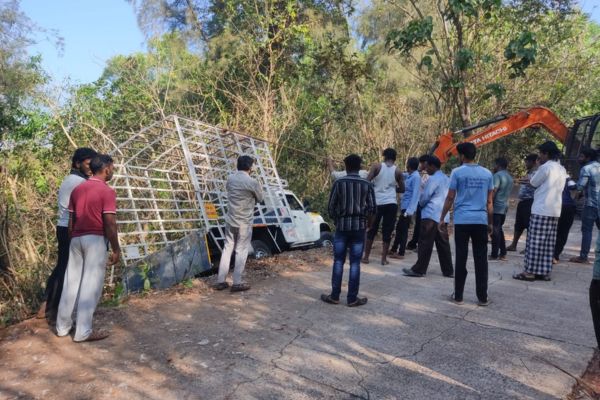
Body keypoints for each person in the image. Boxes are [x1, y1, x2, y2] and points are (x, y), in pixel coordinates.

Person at [55, 154, 119, 342]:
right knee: (91, 284)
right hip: (95, 239)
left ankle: (62, 327)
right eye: (112, 168)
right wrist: (116, 248)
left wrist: (73, 239)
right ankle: (83, 331)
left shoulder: (78, 190)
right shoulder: (107, 191)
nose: (113, 171)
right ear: (106, 168)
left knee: (71, 282)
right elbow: (109, 223)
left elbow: (71, 222)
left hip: (76, 238)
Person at [37, 148, 97, 323]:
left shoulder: (71, 179)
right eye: (88, 164)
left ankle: (47, 305)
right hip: (71, 229)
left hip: (63, 228)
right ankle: (54, 311)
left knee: (61, 266)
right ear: (77, 163)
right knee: (67, 270)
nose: (91, 167)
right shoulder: (79, 182)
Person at [440, 142, 493, 306]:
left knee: (461, 257)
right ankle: (482, 297)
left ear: (462, 156)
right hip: (480, 221)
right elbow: (489, 201)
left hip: (463, 220)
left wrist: (442, 217)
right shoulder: (487, 173)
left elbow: (450, 197)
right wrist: (490, 223)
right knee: (481, 259)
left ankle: (459, 296)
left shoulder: (457, 172)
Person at [321, 154, 376, 307]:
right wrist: (368, 224)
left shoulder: (339, 183)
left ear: (345, 167)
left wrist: (337, 220)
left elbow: (331, 207)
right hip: (359, 228)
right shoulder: (366, 184)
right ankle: (352, 298)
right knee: (355, 263)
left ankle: (335, 296)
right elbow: (372, 208)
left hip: (342, 228)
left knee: (338, 261)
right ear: (360, 167)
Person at [513, 141, 567, 282]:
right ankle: (544, 272)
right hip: (555, 210)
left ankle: (529, 272)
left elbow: (534, 183)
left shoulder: (545, 167)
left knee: (534, 242)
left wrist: (526, 180)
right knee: (548, 243)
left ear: (546, 154)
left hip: (541, 209)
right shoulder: (561, 168)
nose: (539, 158)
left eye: (541, 154)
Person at [213, 156, 264, 292]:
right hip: (244, 222)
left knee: (227, 248)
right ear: (250, 167)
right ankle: (237, 282)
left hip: (230, 220)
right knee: (241, 250)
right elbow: (260, 198)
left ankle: (221, 281)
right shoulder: (252, 182)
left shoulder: (230, 179)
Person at [402, 156, 453, 278]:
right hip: (443, 216)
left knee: (425, 243)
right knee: (443, 245)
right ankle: (448, 270)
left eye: (427, 166)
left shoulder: (433, 179)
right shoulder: (447, 178)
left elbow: (425, 197)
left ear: (432, 166)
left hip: (430, 214)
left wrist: (420, 205)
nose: (426, 169)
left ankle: (419, 269)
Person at [362, 148, 404, 265]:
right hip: (391, 204)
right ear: (394, 158)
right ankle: (384, 259)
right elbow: (402, 189)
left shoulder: (377, 167)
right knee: (387, 231)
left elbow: (367, 181)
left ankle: (366, 257)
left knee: (372, 229)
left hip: (377, 203)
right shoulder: (398, 172)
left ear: (384, 157)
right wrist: (392, 188)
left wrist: (374, 188)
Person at [570, 148, 600, 264]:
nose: (579, 159)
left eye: (581, 156)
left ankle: (583, 256)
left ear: (588, 157)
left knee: (587, 230)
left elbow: (580, 187)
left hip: (591, 204)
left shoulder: (586, 168)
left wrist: (569, 183)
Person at [390, 157, 420, 259]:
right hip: (404, 207)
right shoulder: (411, 175)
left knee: (403, 230)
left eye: (407, 165)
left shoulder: (416, 177)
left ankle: (401, 252)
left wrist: (409, 211)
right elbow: (403, 175)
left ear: (409, 166)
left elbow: (415, 195)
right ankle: (394, 249)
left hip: (408, 209)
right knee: (399, 228)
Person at [507, 154, 538, 252]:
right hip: (523, 201)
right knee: (518, 224)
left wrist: (517, 180)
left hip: (530, 201)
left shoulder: (537, 173)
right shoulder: (529, 172)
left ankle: (528, 247)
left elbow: (530, 182)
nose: (525, 163)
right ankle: (514, 244)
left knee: (528, 224)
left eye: (527, 162)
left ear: (534, 162)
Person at [489, 157, 514, 261]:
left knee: (494, 231)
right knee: (499, 230)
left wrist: (489, 204)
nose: (493, 167)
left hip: (496, 207)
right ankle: (503, 252)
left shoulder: (497, 176)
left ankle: (494, 254)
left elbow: (493, 191)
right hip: (504, 207)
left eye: (494, 165)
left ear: (498, 165)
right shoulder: (509, 177)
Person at [406, 155, 430, 251]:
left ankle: (419, 244)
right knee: (419, 224)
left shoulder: (428, 175)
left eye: (421, 163)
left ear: (425, 163)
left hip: (425, 204)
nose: (420, 165)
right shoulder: (423, 174)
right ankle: (414, 243)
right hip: (422, 203)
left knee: (422, 225)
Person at [553, 177, 577, 264]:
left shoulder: (551, 177)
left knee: (553, 231)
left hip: (554, 206)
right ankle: (555, 255)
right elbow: (574, 187)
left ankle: (550, 254)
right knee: (563, 232)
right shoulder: (567, 179)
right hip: (568, 207)